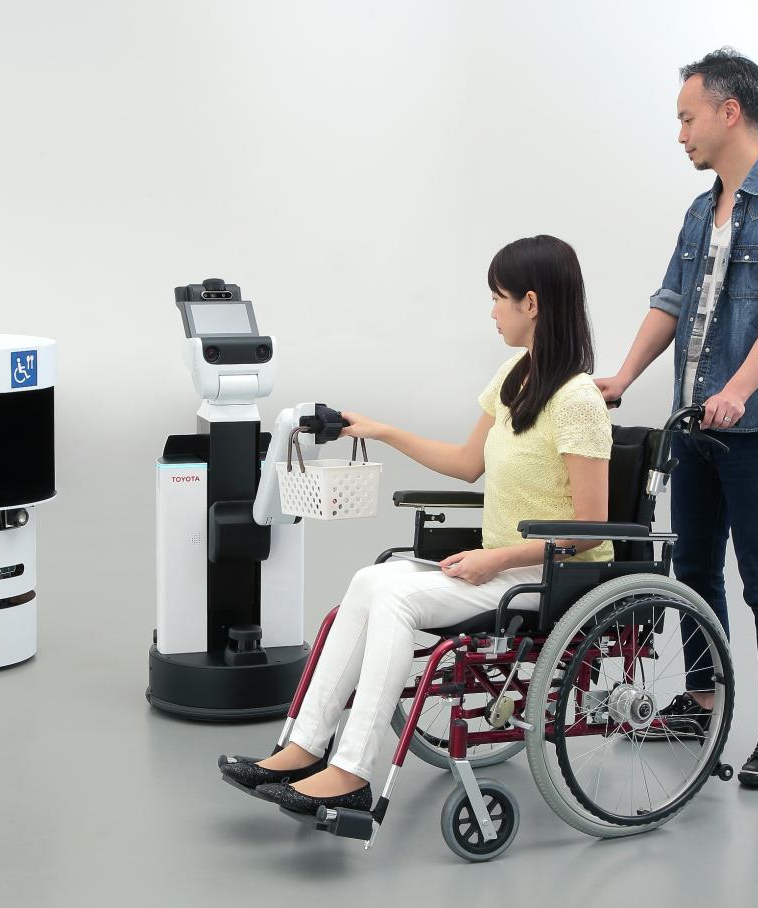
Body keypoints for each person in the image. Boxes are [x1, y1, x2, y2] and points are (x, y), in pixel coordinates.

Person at [219, 235, 614, 812]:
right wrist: (381, 430)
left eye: (498, 298)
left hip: (552, 579)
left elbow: (591, 529)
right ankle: (306, 745)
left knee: (396, 601)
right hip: (505, 568)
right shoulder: (514, 377)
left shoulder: (578, 401)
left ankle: (351, 772)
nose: (492, 311)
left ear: (532, 303)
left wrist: (496, 558)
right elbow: (466, 463)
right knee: (368, 581)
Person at [595, 48, 758, 787]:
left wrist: (735, 391)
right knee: (693, 571)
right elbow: (670, 301)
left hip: (756, 432)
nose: (680, 134)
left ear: (730, 111)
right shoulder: (702, 210)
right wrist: (625, 378)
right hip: (691, 427)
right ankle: (700, 701)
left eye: (687, 118)